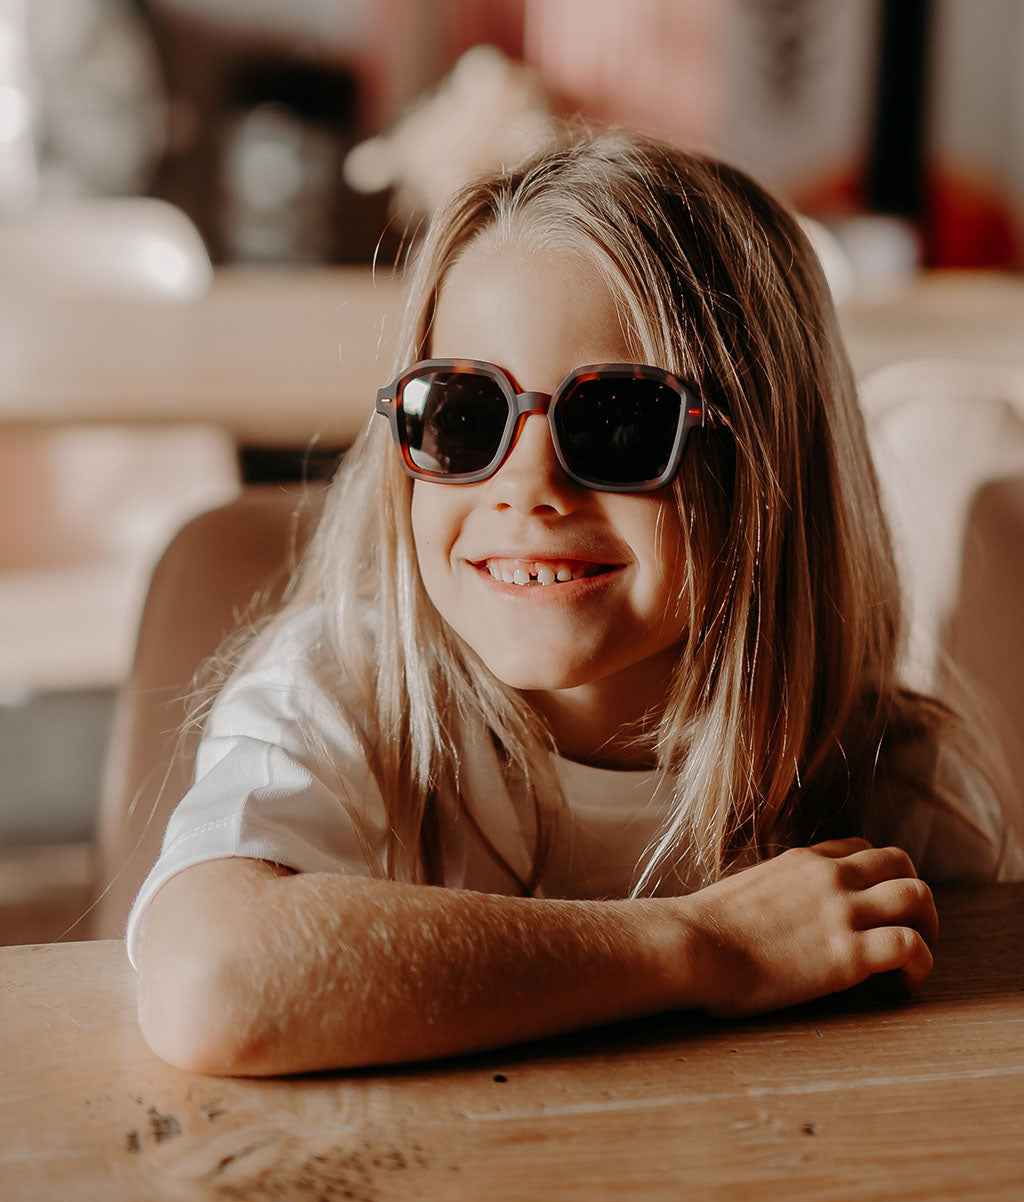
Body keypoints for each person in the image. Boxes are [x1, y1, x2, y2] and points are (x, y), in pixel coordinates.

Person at [130, 130, 1020, 1076]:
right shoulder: (340, 694)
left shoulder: (896, 784)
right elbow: (210, 986)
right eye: (466, 413)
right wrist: (706, 947)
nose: (528, 487)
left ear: (772, 469)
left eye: (621, 421)